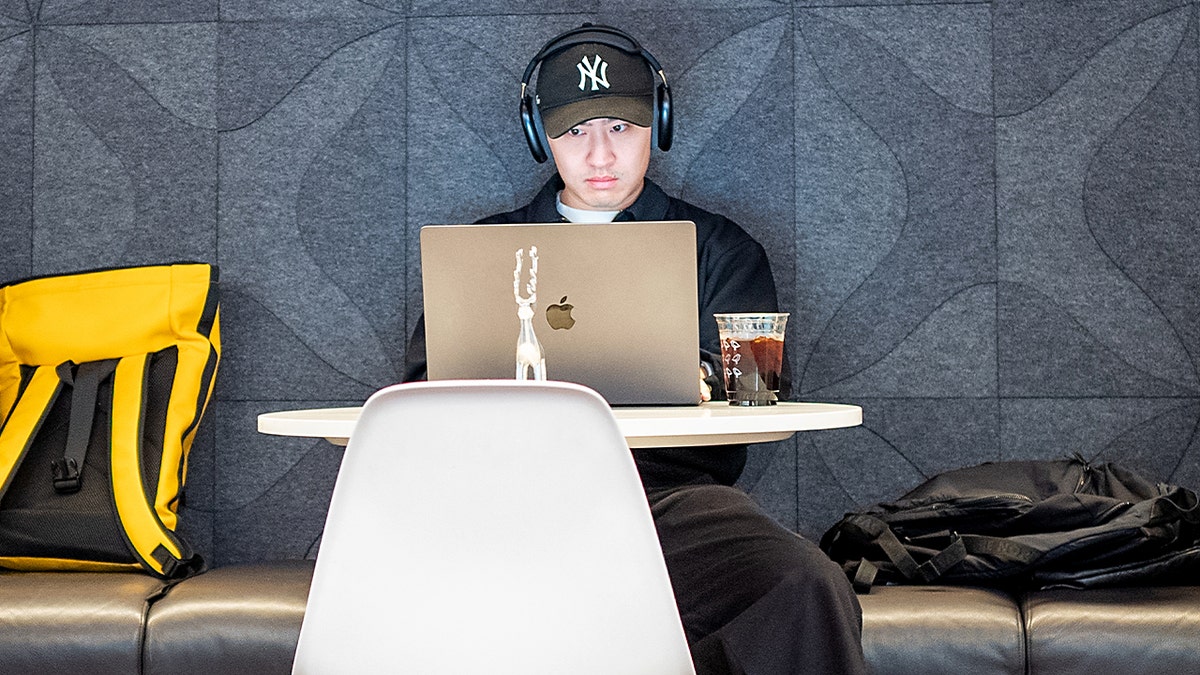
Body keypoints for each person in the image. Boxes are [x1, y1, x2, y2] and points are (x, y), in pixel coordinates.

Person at [403, 23, 867, 675]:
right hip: (508, 503)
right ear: (542, 138)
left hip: (671, 504)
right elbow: (422, 397)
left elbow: (760, 389)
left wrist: (706, 380)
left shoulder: (723, 251)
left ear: (658, 123)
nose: (599, 155)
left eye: (620, 128)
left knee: (804, 583)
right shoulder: (479, 256)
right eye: (575, 131)